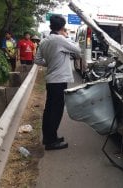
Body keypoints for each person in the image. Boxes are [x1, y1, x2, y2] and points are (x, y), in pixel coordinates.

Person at [34, 15, 81, 150]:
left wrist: (50, 63)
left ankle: (49, 137)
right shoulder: (60, 39)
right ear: (62, 27)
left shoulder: (44, 41)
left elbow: (37, 60)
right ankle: (51, 142)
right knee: (56, 111)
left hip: (51, 80)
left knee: (49, 110)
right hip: (59, 80)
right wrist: (66, 36)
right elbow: (77, 50)